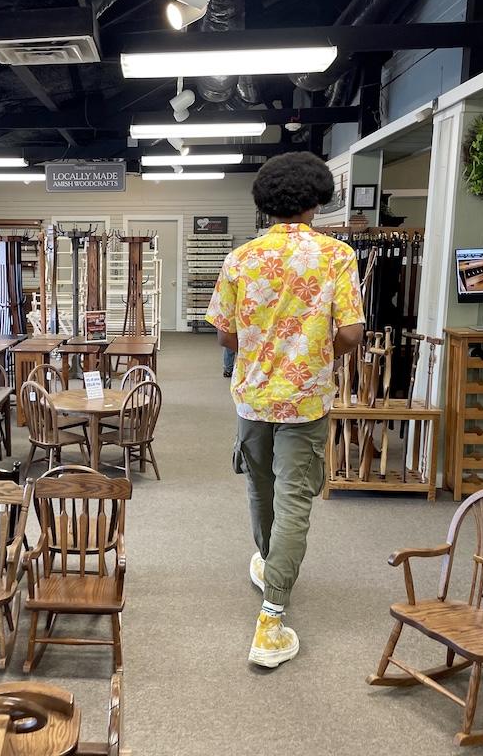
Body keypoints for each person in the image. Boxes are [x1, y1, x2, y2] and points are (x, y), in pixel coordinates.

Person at [206, 152, 365, 668]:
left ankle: (270, 568)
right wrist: (317, 356)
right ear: (317, 201)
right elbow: (351, 333)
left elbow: (225, 333)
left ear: (265, 203)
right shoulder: (337, 256)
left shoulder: (241, 258)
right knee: (295, 498)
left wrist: (259, 351)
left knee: (260, 488)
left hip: (253, 397)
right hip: (307, 399)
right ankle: (272, 616)